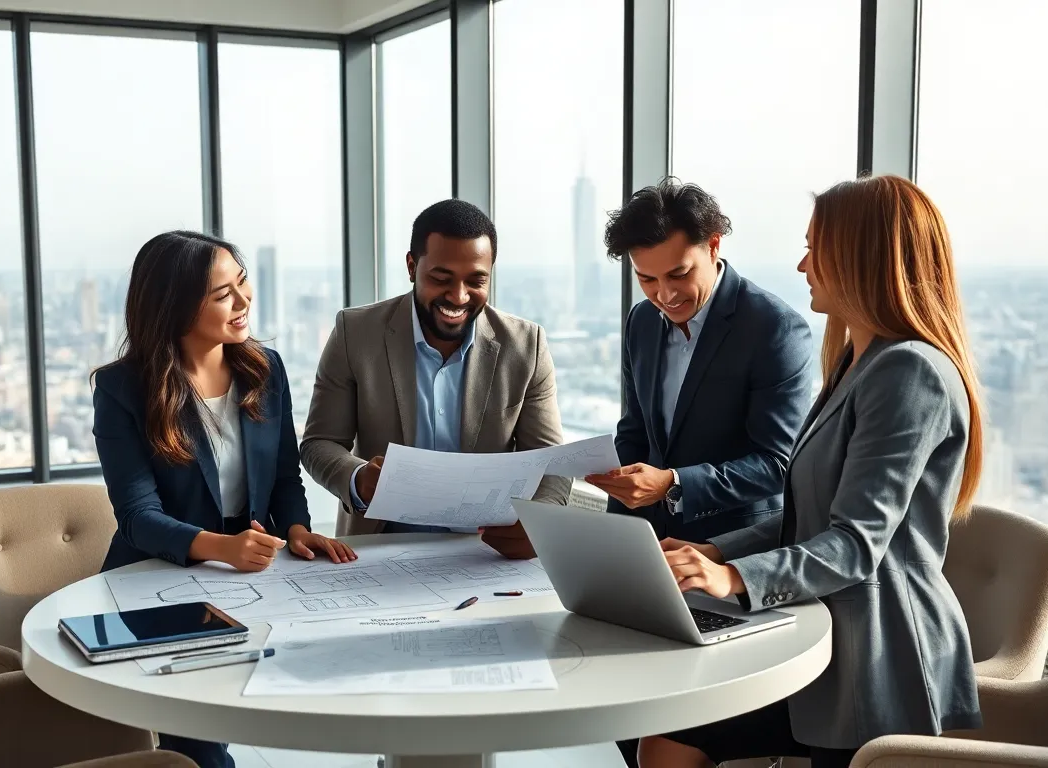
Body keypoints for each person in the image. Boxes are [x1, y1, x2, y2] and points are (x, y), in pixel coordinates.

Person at [639, 175, 985, 768]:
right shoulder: (857, 361)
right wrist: (712, 553)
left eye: (815, 250)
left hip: (878, 657)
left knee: (675, 734)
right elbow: (808, 513)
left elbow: (854, 544)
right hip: (826, 633)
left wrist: (733, 578)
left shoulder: (909, 372)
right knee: (668, 737)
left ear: (860, 258)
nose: (802, 266)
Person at [92, 230, 353, 768]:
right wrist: (222, 547)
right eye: (222, 294)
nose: (244, 300)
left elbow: (284, 475)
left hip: (249, 574)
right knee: (200, 745)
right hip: (155, 578)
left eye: (243, 281)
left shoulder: (265, 368)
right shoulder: (123, 389)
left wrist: (297, 529)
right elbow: (138, 517)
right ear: (176, 306)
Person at [300, 199, 570, 558]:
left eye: (476, 281)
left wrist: (541, 523)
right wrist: (358, 478)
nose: (458, 296)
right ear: (412, 266)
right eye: (441, 279)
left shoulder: (525, 345)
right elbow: (319, 443)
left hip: (485, 553)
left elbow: (551, 462)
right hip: (377, 549)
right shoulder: (355, 332)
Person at [586, 178, 814, 545]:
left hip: (732, 549)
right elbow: (635, 433)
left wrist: (674, 484)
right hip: (646, 544)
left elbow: (778, 464)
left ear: (713, 245)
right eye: (646, 279)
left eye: (679, 274)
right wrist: (613, 539)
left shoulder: (775, 328)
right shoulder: (641, 321)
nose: (665, 295)